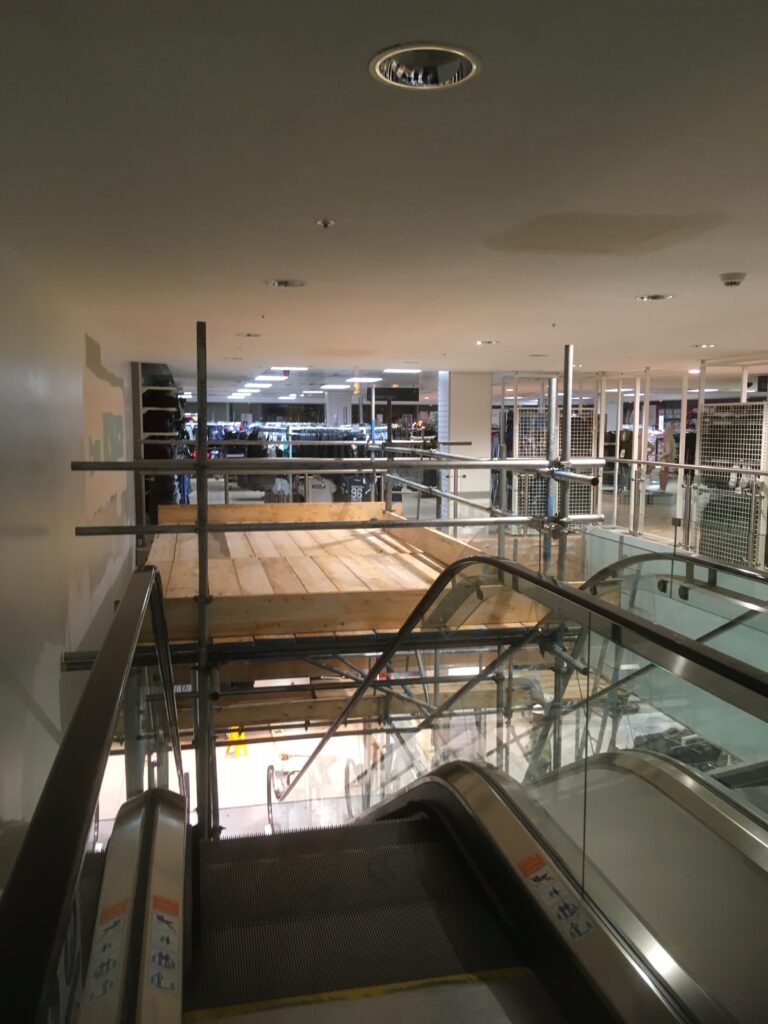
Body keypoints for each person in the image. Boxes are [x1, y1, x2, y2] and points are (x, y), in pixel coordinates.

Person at [659, 423, 677, 492]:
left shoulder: (667, 439)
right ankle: (663, 488)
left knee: (663, 473)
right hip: (669, 459)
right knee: (664, 473)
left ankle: (662, 488)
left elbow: (668, 451)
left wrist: (660, 457)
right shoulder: (671, 438)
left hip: (666, 459)